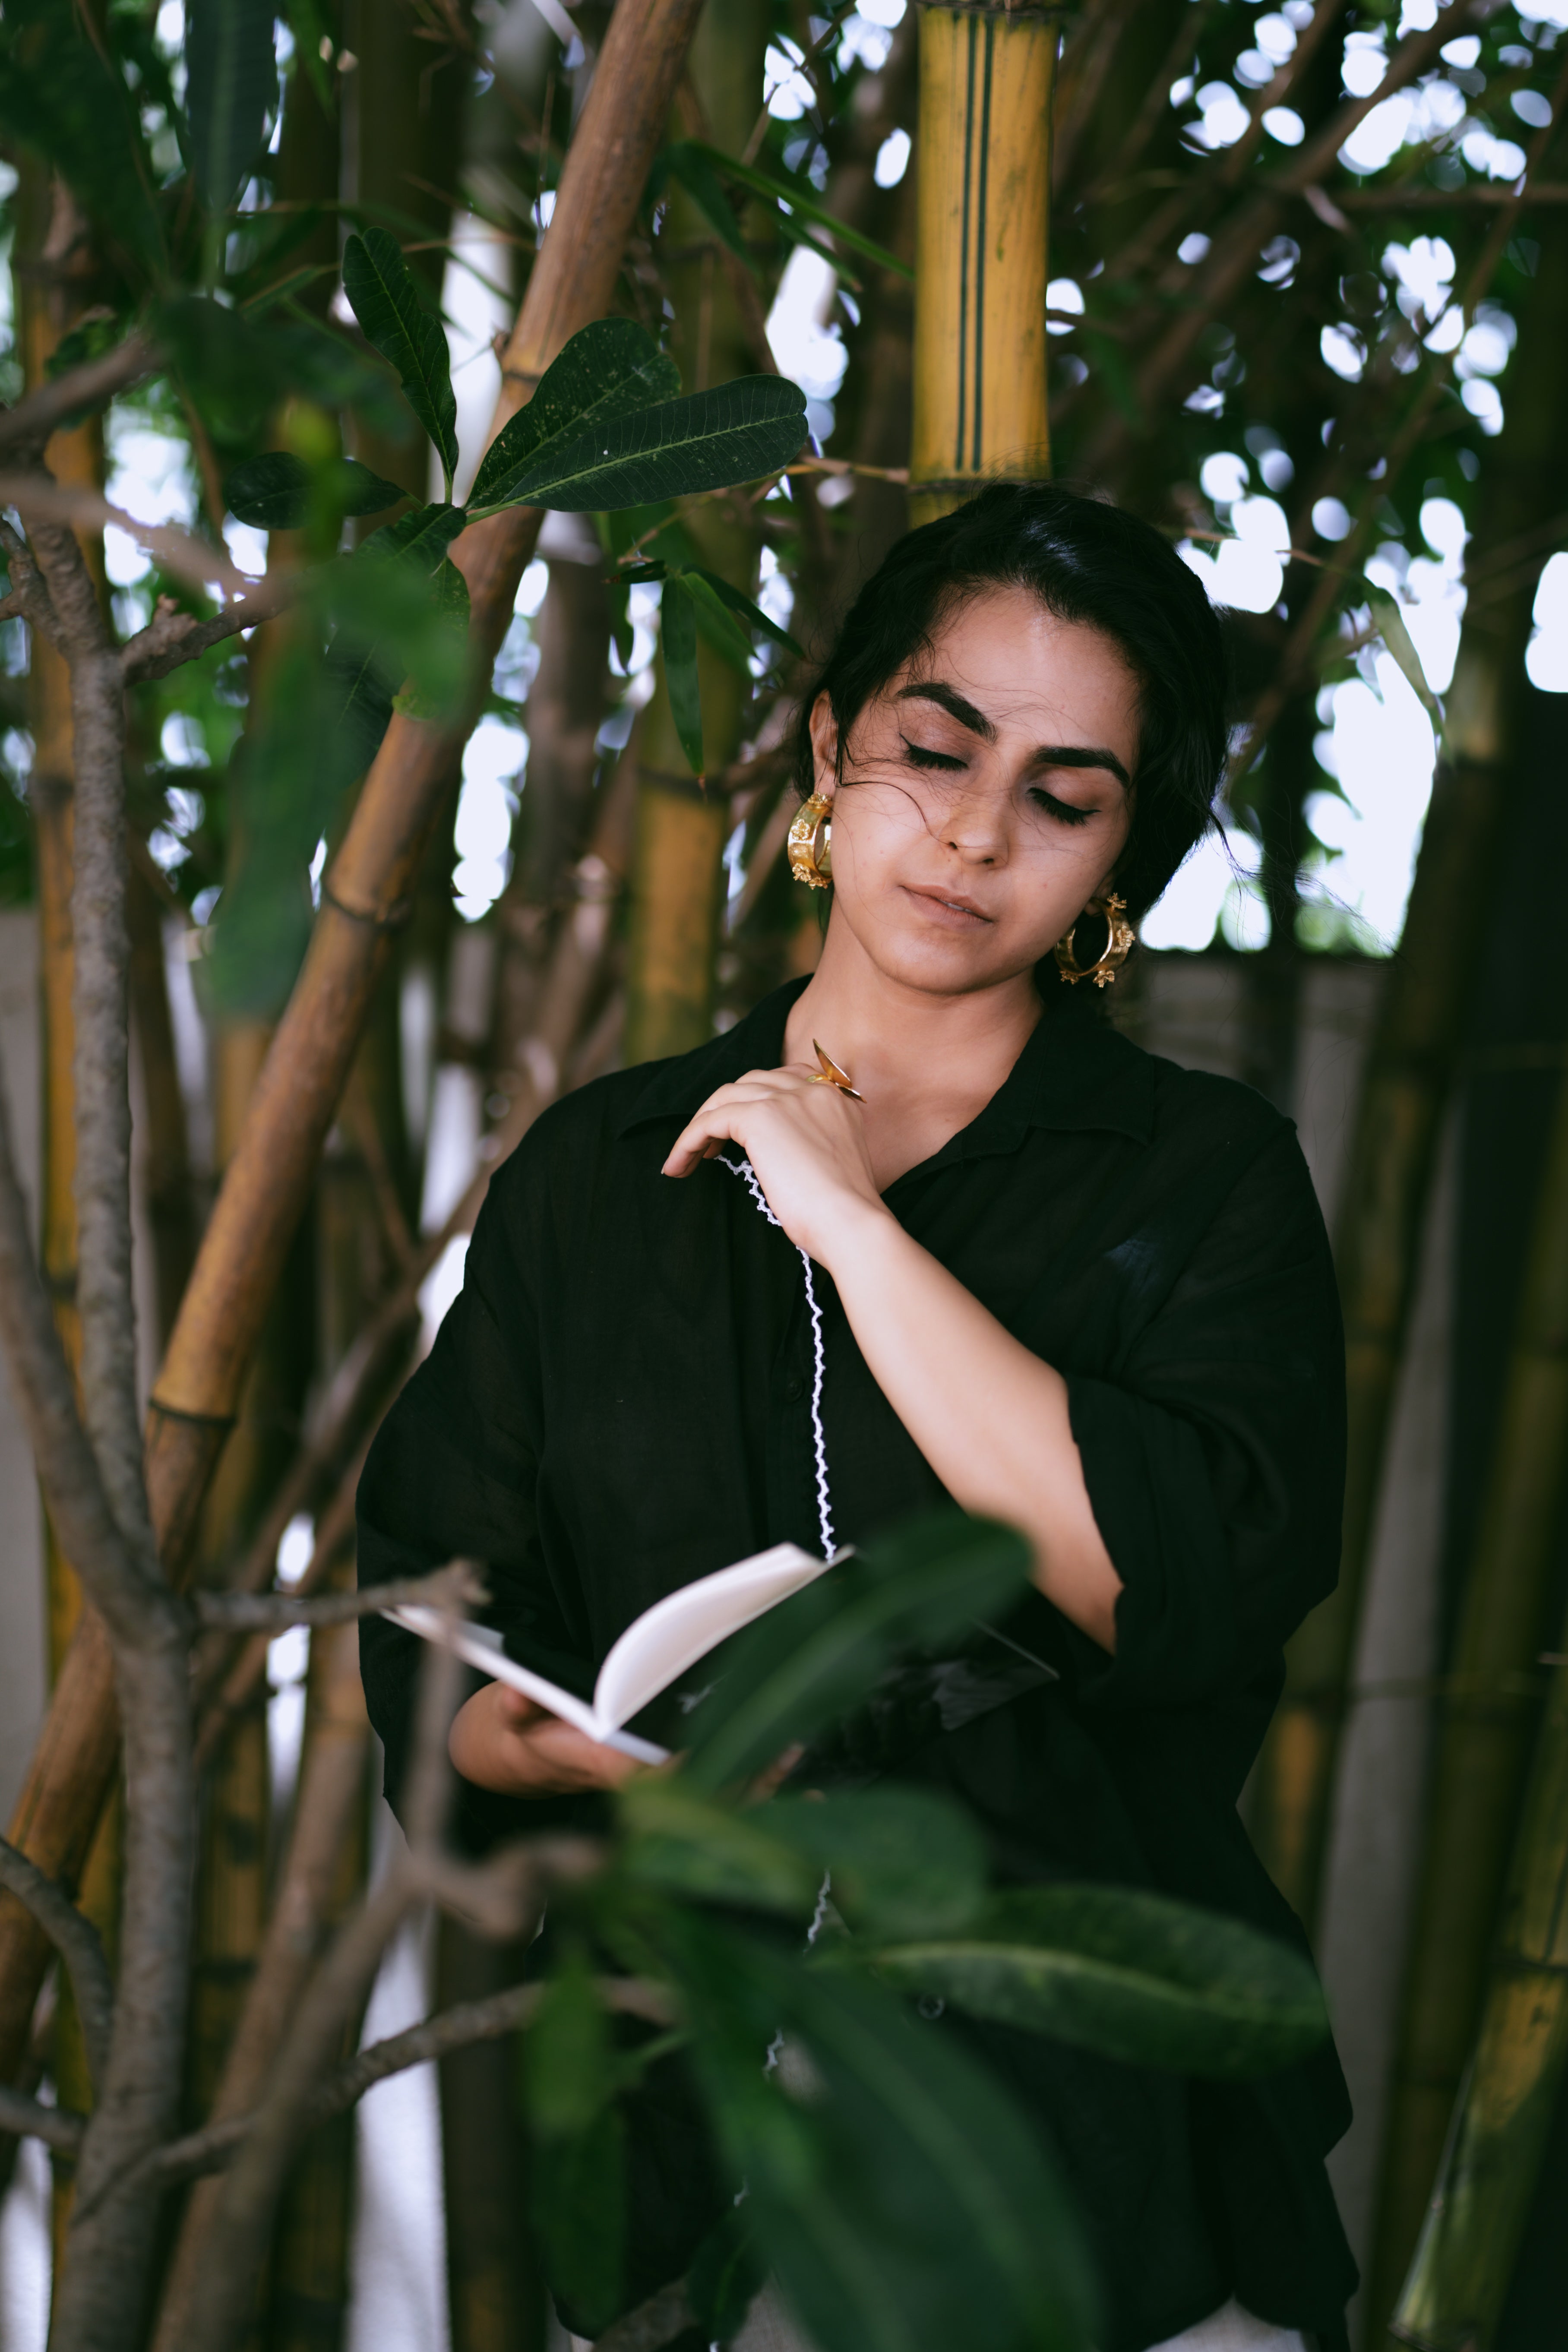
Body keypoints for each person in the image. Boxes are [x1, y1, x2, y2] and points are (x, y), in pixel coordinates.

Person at [358, 481, 1358, 2352]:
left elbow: (1169, 1586)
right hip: (683, 2129)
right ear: (828, 748)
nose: (975, 834)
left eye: (1063, 799)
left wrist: (842, 1214)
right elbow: (434, 1597)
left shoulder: (1203, 1180)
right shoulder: (596, 1173)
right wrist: (544, 1757)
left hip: (1085, 2142)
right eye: (932, 750)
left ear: (1120, 866)